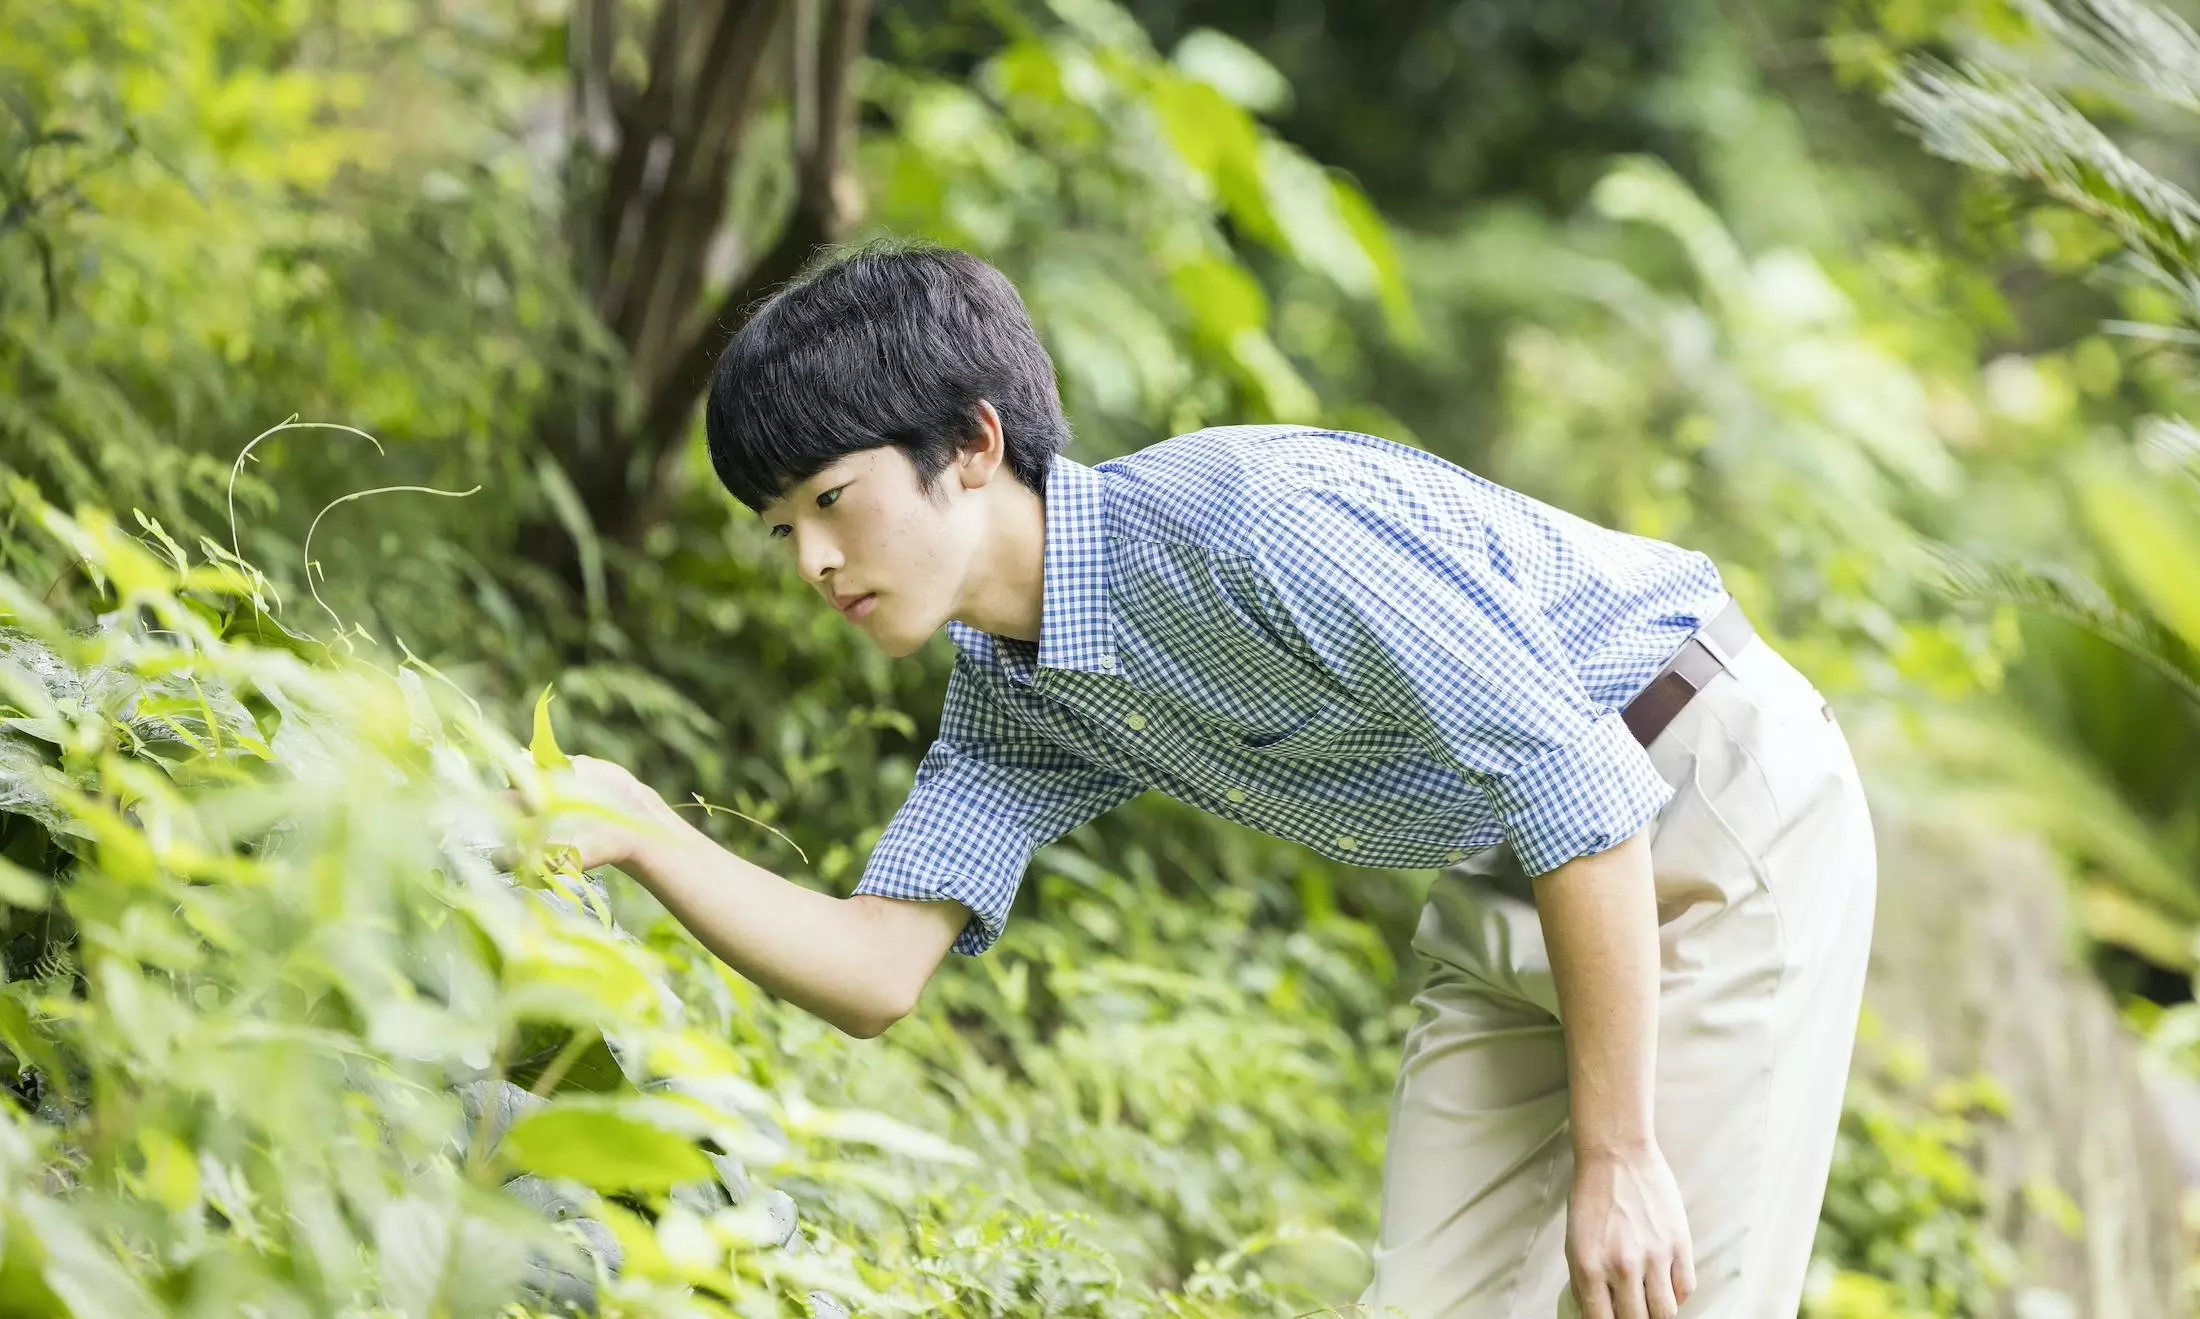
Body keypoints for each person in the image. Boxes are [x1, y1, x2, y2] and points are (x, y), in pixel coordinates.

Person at [529, 240, 1878, 1319]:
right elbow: (879, 968)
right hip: (1521, 859)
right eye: (781, 529)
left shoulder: (1255, 525)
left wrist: (1619, 1153)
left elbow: (1577, 786)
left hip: (1708, 796)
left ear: (976, 446)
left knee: (1655, 1290)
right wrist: (643, 832)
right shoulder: (1013, 691)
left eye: (832, 498)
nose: (813, 562)